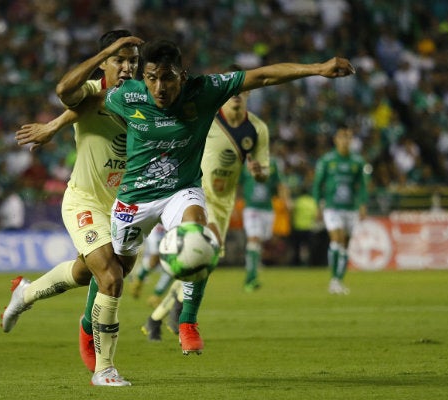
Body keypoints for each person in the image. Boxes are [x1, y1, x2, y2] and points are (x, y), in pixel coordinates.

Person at [99, 39, 355, 355]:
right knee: (113, 272)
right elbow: (83, 101)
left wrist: (318, 68)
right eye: (152, 78)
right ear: (143, 77)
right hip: (135, 197)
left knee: (200, 240)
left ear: (183, 75)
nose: (160, 86)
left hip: (185, 189)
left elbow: (261, 76)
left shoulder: (206, 91)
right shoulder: (128, 95)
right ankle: (91, 322)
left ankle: (187, 322)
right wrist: (54, 125)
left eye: (167, 77)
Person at [0, 30, 142, 386]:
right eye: (118, 60)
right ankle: (105, 369)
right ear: (105, 63)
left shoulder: (144, 97)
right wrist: (102, 54)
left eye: (132, 61)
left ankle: (26, 293)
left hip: (126, 207)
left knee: (85, 274)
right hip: (85, 201)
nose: (126, 67)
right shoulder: (93, 91)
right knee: (110, 278)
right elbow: (66, 92)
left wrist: (55, 124)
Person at [141, 67, 272, 340]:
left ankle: (158, 318)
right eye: (232, 90)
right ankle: (179, 315)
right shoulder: (207, 119)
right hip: (196, 196)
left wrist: (260, 173)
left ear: (248, 91)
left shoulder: (257, 128)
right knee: (200, 258)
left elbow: (264, 173)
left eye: (242, 89)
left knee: (202, 263)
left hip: (223, 204)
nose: (236, 94)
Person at [312, 125, 369, 294]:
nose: (345, 141)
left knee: (345, 244)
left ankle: (338, 279)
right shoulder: (327, 160)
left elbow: (363, 186)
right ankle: (333, 279)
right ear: (336, 140)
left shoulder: (357, 162)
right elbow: (317, 184)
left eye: (348, 138)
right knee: (337, 239)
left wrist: (363, 204)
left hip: (350, 208)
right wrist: (317, 204)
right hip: (332, 207)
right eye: (342, 137)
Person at [241, 156, 291, 291]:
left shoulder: (273, 162)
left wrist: (286, 200)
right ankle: (251, 277)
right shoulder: (243, 162)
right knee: (254, 239)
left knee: (261, 240)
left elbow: (280, 183)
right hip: (251, 208)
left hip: (268, 210)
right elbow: (236, 183)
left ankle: (254, 265)